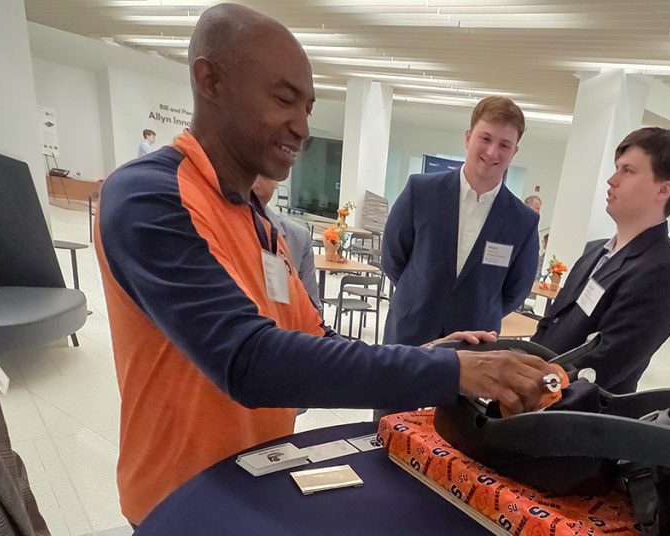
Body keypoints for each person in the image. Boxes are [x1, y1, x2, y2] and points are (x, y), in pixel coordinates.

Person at [94, 4, 556, 526]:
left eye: (308, 106)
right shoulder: (147, 197)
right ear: (210, 80)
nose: (302, 126)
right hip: (181, 498)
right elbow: (249, 360)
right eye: (284, 99)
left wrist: (427, 354)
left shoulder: (261, 227)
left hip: (256, 481)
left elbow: (315, 343)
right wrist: (449, 370)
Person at [531, 127, 670, 394]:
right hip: (528, 406)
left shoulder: (662, 271)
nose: (612, 179)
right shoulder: (594, 252)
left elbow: (602, 366)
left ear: (663, 190)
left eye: (628, 171)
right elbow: (550, 323)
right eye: (616, 168)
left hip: (573, 419)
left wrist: (531, 386)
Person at [382, 96, 540, 346]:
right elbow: (392, 258)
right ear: (468, 138)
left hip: (474, 342)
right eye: (485, 138)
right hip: (410, 332)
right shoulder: (420, 191)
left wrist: (477, 312)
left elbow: (515, 291)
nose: (492, 152)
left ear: (514, 152)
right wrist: (417, 297)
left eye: (504, 145)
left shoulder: (523, 221)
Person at [251, 176, 320, 309]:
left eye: (263, 171)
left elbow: (313, 310)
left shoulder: (297, 237)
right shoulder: (208, 226)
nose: (254, 176)